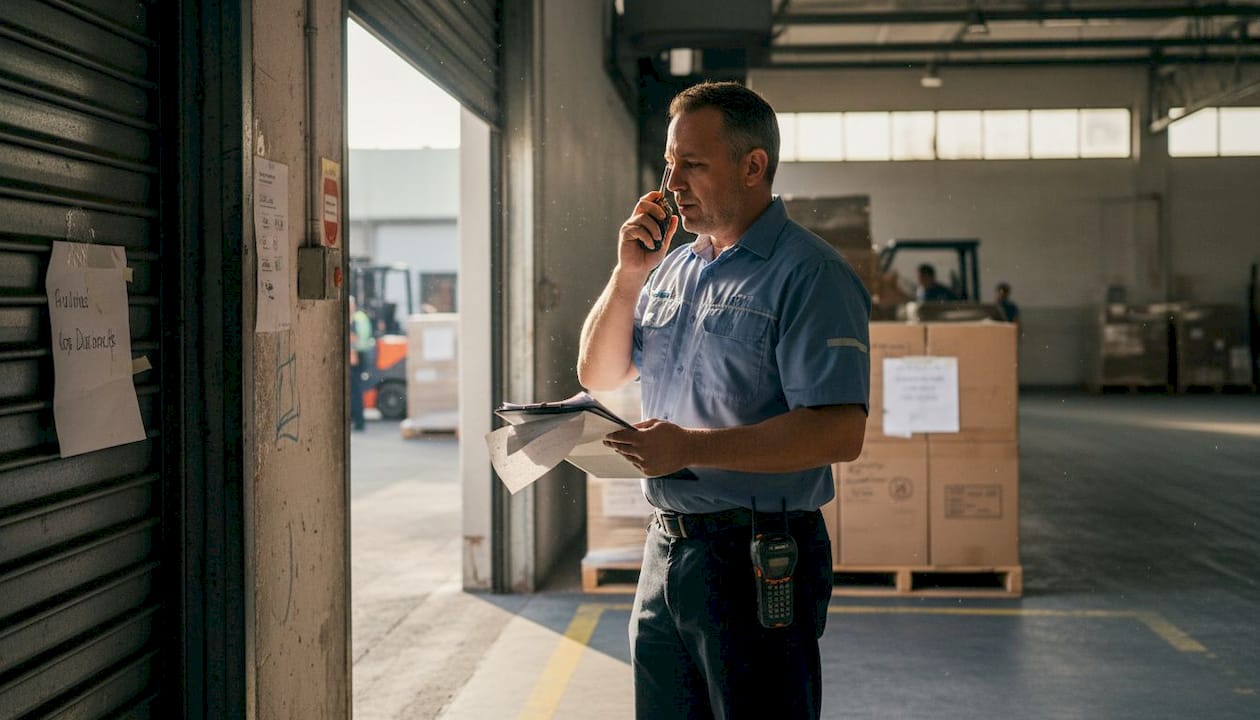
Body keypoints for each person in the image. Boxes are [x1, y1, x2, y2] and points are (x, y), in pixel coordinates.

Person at [577, 81, 870, 719]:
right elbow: (599, 373)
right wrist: (628, 274)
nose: (670, 180)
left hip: (757, 559)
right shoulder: (673, 267)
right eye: (669, 162)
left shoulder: (808, 274)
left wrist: (687, 447)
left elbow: (838, 432)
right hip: (667, 550)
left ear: (753, 166)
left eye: (692, 164)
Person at [349, 295, 374, 431]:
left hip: (356, 357)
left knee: (355, 391)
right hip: (357, 356)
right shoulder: (359, 318)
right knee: (354, 391)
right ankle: (356, 420)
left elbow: (355, 339)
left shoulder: (357, 319)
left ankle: (359, 422)